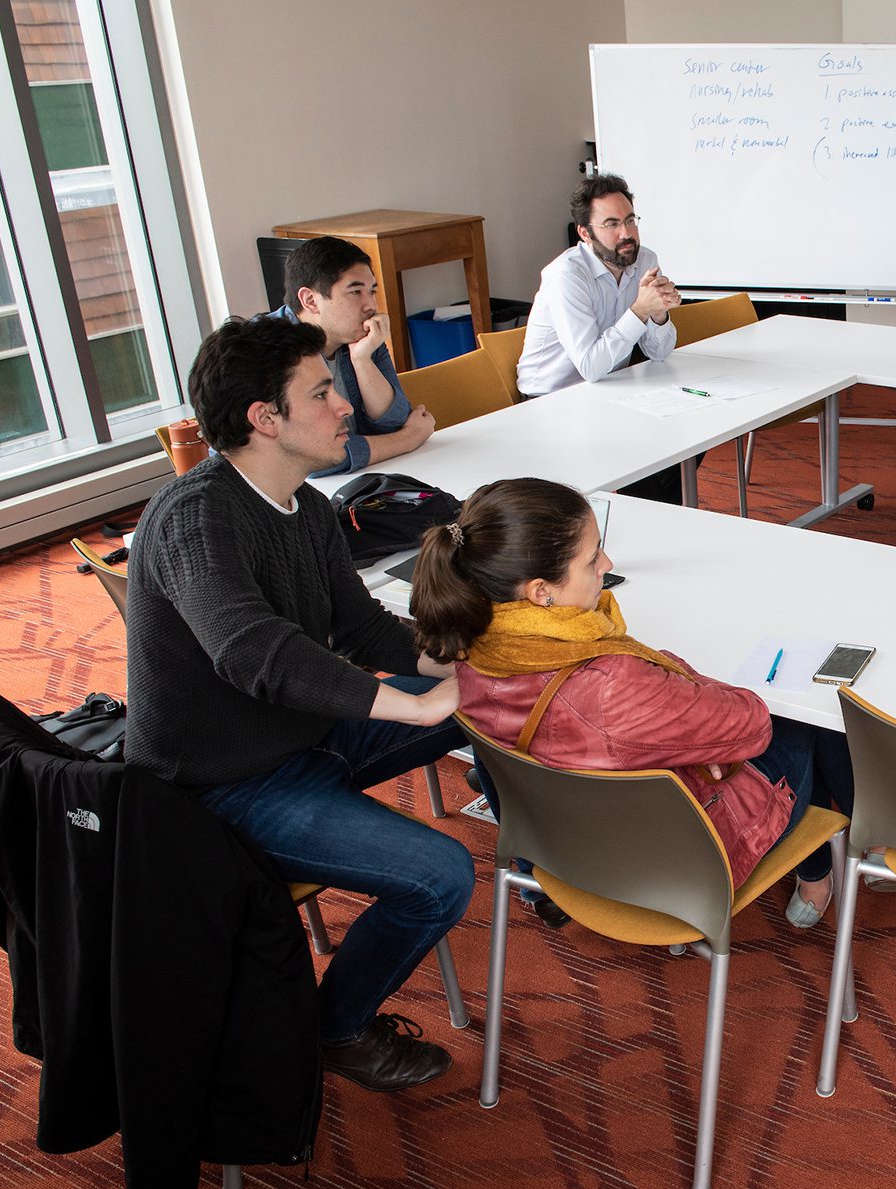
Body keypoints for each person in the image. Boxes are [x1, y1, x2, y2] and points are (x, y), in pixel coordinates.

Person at [124, 316, 474, 1092]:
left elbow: (362, 628)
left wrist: (462, 663)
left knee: (488, 702)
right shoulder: (196, 516)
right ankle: (334, 1028)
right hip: (224, 786)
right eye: (322, 391)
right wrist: (413, 707)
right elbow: (251, 652)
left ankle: (550, 851)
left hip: (303, 737)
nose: (344, 403)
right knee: (443, 875)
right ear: (264, 418)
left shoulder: (306, 509)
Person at [409, 478, 850, 927]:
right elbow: (752, 723)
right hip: (677, 867)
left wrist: (686, 730)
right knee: (805, 709)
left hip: (561, 849)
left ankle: (841, 854)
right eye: (592, 556)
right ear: (542, 592)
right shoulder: (610, 681)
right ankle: (837, 858)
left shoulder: (471, 646)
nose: (608, 563)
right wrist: (700, 725)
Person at [516, 173, 689, 504]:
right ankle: (640, 524)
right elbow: (590, 366)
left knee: (687, 434)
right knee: (646, 451)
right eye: (611, 224)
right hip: (549, 402)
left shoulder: (645, 260)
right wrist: (640, 311)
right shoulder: (567, 275)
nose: (626, 234)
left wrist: (659, 314)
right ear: (585, 232)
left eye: (630, 220)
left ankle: (659, 520)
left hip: (609, 389)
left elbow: (660, 352)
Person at [259, 235, 435, 476]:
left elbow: (395, 421)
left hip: (363, 481)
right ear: (310, 300)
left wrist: (362, 361)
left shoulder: (358, 336)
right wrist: (409, 438)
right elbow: (313, 457)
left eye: (372, 291)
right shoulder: (268, 350)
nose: (370, 305)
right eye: (355, 292)